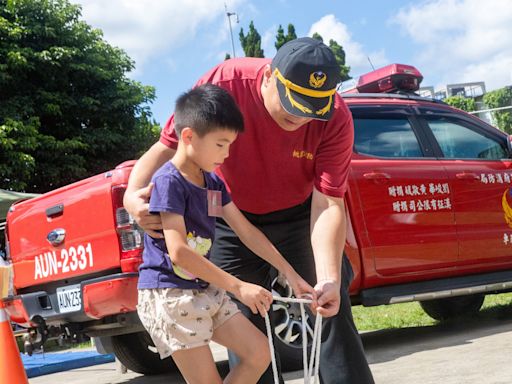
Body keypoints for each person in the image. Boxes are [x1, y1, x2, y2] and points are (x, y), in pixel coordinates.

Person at [126, 37, 375, 384]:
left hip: (301, 215)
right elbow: (167, 147)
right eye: (292, 104)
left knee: (327, 310)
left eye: (311, 110)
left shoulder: (336, 118)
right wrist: (130, 197)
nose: (299, 117)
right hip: (230, 219)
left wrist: (326, 278)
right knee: (247, 325)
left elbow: (328, 203)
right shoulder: (226, 85)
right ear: (270, 77)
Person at [136, 83, 315, 384]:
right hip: (170, 294)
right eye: (221, 144)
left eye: (231, 145)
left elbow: (245, 230)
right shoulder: (169, 182)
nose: (227, 154)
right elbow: (179, 251)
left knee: (260, 354)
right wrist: (238, 287)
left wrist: (290, 274)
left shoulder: (213, 186)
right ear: (188, 136)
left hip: (205, 289)